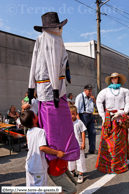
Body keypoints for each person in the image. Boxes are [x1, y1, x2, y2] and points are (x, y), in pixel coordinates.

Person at [27, 12, 80, 162]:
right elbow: (53, 64)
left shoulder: (39, 39)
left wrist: (31, 87)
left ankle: (50, 153)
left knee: (48, 124)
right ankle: (62, 152)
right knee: (61, 125)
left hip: (43, 88)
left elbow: (34, 63)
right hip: (54, 89)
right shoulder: (56, 39)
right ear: (58, 26)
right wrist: (56, 89)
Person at [20, 110, 65, 191]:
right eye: (35, 115)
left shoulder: (28, 132)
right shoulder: (40, 131)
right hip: (38, 166)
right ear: (34, 119)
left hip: (29, 165)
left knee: (30, 189)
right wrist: (57, 152)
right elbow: (42, 147)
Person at [96, 72, 129, 174]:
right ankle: (107, 164)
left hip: (120, 119)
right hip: (109, 119)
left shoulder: (125, 91)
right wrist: (103, 116)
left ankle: (120, 164)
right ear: (110, 80)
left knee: (120, 142)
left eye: (116, 78)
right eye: (113, 78)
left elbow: (128, 103)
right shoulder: (104, 91)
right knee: (108, 141)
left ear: (118, 79)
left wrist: (122, 112)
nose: (114, 79)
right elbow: (98, 101)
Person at [75, 84, 97, 154]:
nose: (90, 92)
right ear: (85, 90)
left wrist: (94, 99)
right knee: (81, 133)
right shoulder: (80, 97)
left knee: (92, 132)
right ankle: (81, 150)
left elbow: (96, 107)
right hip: (83, 116)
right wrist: (78, 120)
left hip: (91, 116)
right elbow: (76, 109)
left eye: (91, 91)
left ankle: (92, 149)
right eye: (89, 91)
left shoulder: (91, 98)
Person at [68, 105, 86, 184]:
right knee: (70, 158)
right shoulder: (67, 122)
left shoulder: (79, 122)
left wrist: (83, 143)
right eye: (70, 113)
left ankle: (81, 173)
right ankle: (72, 171)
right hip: (69, 145)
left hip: (78, 144)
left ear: (76, 114)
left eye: (73, 113)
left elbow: (83, 132)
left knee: (80, 159)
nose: (71, 115)